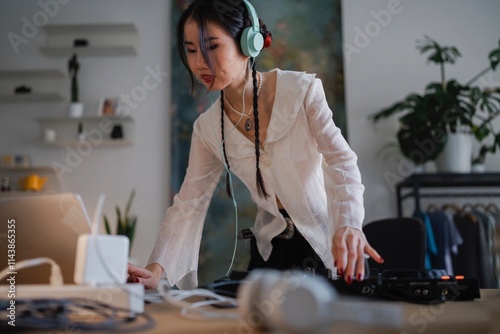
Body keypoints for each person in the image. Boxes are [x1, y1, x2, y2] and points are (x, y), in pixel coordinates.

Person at [128, 0, 383, 290]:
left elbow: (342, 161)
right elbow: (189, 204)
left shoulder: (302, 92)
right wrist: (155, 270)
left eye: (211, 46)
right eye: (191, 50)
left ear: (248, 43)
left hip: (325, 244)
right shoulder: (207, 128)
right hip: (268, 253)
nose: (200, 63)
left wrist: (348, 223)